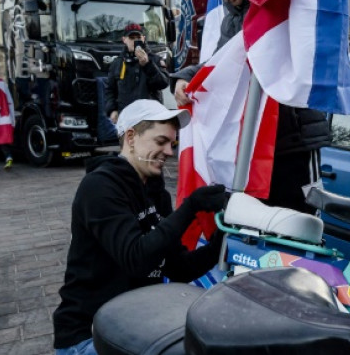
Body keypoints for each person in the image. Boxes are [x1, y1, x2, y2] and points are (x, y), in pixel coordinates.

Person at [52, 99, 228, 354]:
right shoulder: (99, 187)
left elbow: (178, 268)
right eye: (161, 141)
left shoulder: (156, 193)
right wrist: (190, 208)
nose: (169, 152)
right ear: (131, 137)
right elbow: (136, 258)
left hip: (137, 326)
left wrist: (221, 241)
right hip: (90, 335)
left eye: (172, 144)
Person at [171, 0, 331, 214]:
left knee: (300, 219)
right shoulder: (231, 19)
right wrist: (185, 78)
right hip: (254, 141)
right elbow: (218, 63)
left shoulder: (279, 0)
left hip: (293, 136)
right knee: (263, 221)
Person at [103, 23, 169, 125]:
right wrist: (112, 110)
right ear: (124, 40)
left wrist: (147, 65)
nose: (135, 41)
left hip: (150, 116)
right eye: (132, 38)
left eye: (138, 37)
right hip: (126, 117)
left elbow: (163, 83)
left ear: (143, 38)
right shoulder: (117, 63)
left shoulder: (155, 59)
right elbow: (110, 90)